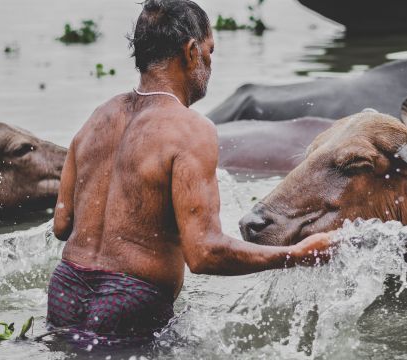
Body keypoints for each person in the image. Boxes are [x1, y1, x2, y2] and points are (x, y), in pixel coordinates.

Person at [47, 0, 334, 341]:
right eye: (210, 52)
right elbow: (204, 254)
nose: (210, 64)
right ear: (190, 51)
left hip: (64, 292)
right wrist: (296, 254)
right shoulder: (190, 130)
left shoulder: (96, 119)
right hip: (130, 302)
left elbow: (62, 225)